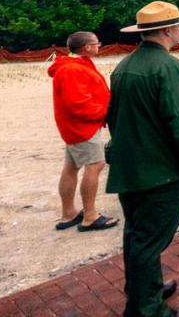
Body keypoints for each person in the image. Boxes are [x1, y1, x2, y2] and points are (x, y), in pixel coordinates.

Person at [106, 1, 179, 317]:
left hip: (130, 168)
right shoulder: (168, 67)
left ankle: (144, 289)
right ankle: (148, 309)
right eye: (177, 26)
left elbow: (114, 118)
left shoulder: (124, 66)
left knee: (136, 235)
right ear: (166, 30)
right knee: (148, 241)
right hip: (158, 171)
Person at [49, 31, 118, 231]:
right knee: (95, 164)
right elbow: (79, 103)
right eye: (97, 43)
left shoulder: (74, 65)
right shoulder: (71, 69)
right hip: (82, 128)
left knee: (71, 167)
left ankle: (68, 213)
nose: (99, 46)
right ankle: (90, 216)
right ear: (86, 47)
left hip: (74, 128)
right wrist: (104, 112)